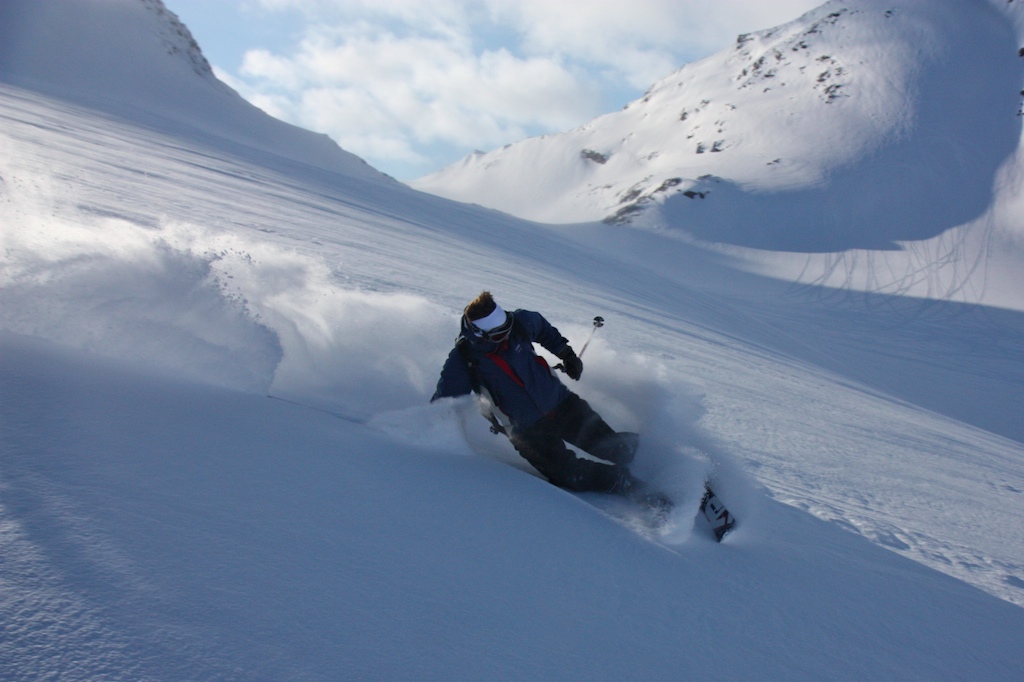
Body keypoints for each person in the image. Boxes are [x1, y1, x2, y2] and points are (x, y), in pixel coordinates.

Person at [432, 291, 665, 505]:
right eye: (500, 333)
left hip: (562, 405)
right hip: (527, 431)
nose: (507, 335)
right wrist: (433, 431)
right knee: (569, 474)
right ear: (480, 334)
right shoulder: (463, 360)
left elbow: (543, 329)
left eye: (507, 326)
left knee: (616, 448)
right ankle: (627, 485)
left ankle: (667, 458)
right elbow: (444, 402)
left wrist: (566, 354)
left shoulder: (519, 323)